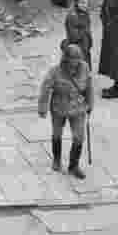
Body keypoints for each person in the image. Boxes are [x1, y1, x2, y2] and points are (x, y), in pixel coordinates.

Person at [38, 43, 93, 179]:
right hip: (59, 108)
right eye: (72, 59)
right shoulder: (55, 71)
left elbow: (89, 86)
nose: (75, 63)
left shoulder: (85, 68)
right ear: (66, 59)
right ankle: (56, 159)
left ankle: (73, 166)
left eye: (77, 59)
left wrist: (90, 104)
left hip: (78, 107)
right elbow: (46, 88)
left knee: (79, 137)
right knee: (57, 134)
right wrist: (43, 107)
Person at [63, 0, 93, 68]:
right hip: (76, 50)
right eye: (82, 2)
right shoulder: (73, 16)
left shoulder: (85, 13)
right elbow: (73, 36)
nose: (85, 5)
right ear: (76, 3)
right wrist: (85, 31)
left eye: (87, 3)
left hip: (84, 47)